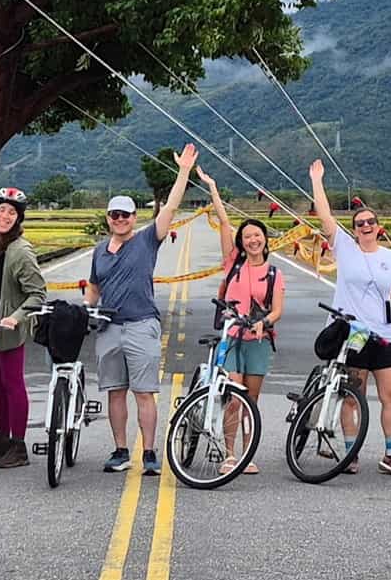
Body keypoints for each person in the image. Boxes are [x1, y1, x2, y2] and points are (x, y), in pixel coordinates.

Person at [85, 143, 198, 476]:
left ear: (135, 218)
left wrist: (184, 173)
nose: (120, 220)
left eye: (126, 215)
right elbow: (94, 285)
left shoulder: (148, 239)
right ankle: (121, 450)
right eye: (114, 215)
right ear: (108, 218)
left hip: (141, 324)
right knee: (115, 392)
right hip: (109, 328)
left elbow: (171, 208)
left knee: (145, 392)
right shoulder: (99, 251)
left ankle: (149, 452)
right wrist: (87, 308)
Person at [307, 158, 391, 476]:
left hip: (388, 335)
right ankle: (350, 453)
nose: (365, 226)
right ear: (354, 230)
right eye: (359, 223)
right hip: (354, 335)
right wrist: (317, 181)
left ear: (378, 226)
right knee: (352, 394)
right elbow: (325, 217)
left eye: (370, 222)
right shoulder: (345, 248)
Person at [200, 166, 284, 475]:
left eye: (257, 236)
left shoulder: (275, 273)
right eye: (247, 236)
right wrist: (212, 186)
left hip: (259, 341)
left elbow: (276, 310)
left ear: (264, 240)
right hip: (232, 336)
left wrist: (266, 322)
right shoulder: (232, 263)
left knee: (252, 400)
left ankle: (247, 454)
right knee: (234, 398)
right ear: (241, 241)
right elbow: (223, 220)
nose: (252, 240)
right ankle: (229, 454)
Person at [0, 185, 48, 469]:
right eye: (1, 209)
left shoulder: (20, 251)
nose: (4, 215)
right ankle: (1, 439)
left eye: (11, 212)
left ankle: (19, 445)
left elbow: (38, 293)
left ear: (19, 219)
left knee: (14, 384)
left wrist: (16, 317)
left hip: (9, 326)